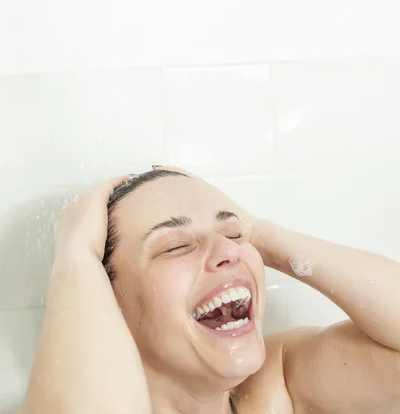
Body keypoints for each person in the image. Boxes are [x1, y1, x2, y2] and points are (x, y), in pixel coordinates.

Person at [17, 166, 400, 414]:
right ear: (105, 297)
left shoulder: (275, 387)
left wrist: (262, 235)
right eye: (175, 246)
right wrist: (76, 256)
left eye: (234, 234)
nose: (229, 250)